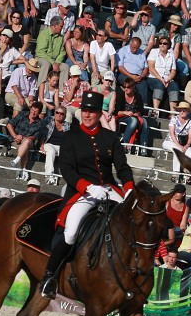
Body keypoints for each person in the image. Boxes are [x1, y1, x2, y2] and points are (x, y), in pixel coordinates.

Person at [40, 91, 134, 300]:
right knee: (71, 231)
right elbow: (67, 169)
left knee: (131, 222)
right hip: (83, 193)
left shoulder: (110, 137)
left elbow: (123, 167)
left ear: (99, 113)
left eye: (91, 111)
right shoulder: (71, 137)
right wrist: (88, 188)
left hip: (110, 189)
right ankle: (49, 276)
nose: (87, 115)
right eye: (84, 111)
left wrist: (128, 189)